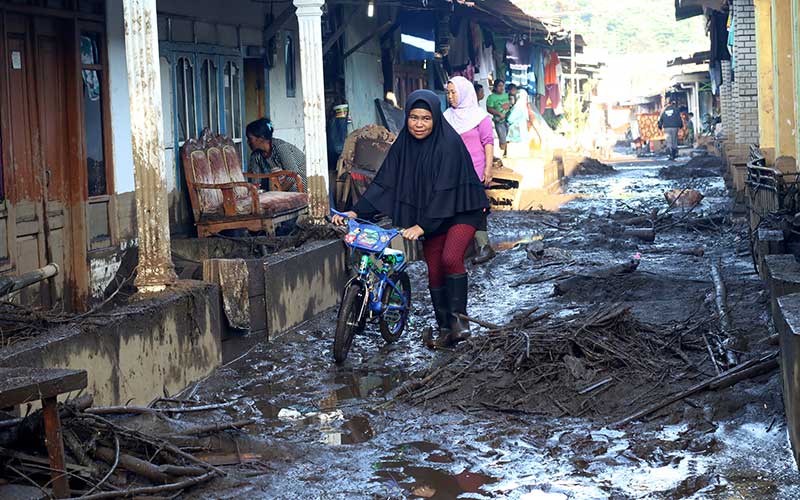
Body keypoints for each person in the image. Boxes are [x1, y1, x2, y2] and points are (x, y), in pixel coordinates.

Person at [332, 90, 489, 349]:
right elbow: (384, 182)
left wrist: (421, 226)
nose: (418, 124)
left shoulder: (448, 144)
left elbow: (444, 192)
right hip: (431, 215)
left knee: (451, 258)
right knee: (434, 269)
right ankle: (444, 329)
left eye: (425, 118)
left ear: (435, 119)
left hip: (461, 209)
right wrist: (357, 212)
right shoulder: (403, 145)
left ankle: (460, 322)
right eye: (414, 118)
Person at [444, 76, 496, 265]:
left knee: (476, 206)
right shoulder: (446, 117)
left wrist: (488, 169)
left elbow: (488, 143)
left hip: (475, 168)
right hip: (453, 170)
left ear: (464, 93)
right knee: (457, 206)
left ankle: (484, 246)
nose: (450, 97)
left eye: (453, 92)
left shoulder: (480, 116)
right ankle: (464, 246)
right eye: (448, 92)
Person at [246, 118, 307, 191]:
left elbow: (293, 175)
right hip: (280, 186)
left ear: (261, 138)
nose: (248, 142)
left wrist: (277, 193)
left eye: (250, 138)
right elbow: (255, 180)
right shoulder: (256, 156)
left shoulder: (280, 147)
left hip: (300, 182)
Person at [486, 80, 511, 157]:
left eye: (502, 86)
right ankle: (502, 154)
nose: (502, 88)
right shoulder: (491, 97)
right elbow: (489, 108)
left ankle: (506, 153)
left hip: (508, 120)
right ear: (495, 87)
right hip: (499, 121)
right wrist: (499, 113)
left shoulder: (506, 95)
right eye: (499, 86)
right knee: (502, 138)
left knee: (507, 137)